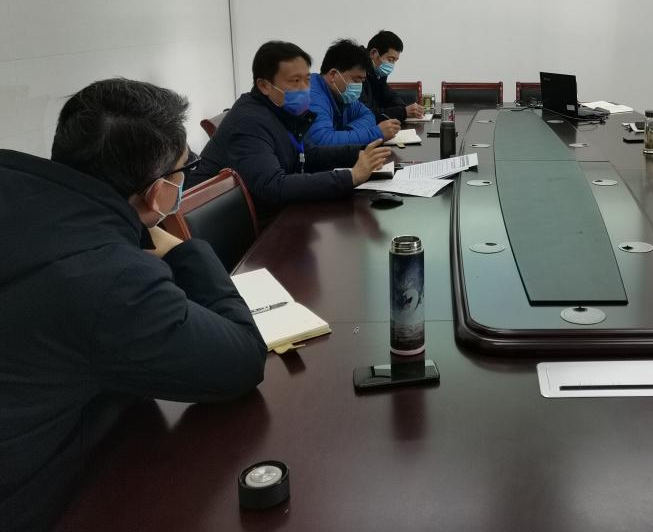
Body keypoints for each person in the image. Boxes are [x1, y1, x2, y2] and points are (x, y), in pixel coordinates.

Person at [0, 79, 266, 532]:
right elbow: (241, 360)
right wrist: (182, 249)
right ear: (158, 192)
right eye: (185, 168)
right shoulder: (109, 280)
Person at [189, 40, 392, 224]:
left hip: (272, 213)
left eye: (307, 80)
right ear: (264, 85)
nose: (305, 88)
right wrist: (351, 177)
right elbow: (274, 185)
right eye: (295, 81)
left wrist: (360, 153)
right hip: (234, 231)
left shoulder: (282, 109)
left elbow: (308, 154)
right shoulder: (249, 121)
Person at [307, 38, 401, 145]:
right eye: (356, 80)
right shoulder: (312, 95)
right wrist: (375, 133)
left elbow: (368, 115)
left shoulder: (342, 96)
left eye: (362, 81)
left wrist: (345, 134)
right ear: (333, 75)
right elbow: (322, 140)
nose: (359, 86)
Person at [361, 29, 425, 122]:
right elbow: (365, 114)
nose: (392, 65)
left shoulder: (378, 72)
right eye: (390, 59)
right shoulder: (358, 73)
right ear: (374, 53)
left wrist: (404, 108)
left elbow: (390, 95)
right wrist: (403, 112)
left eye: (395, 60)